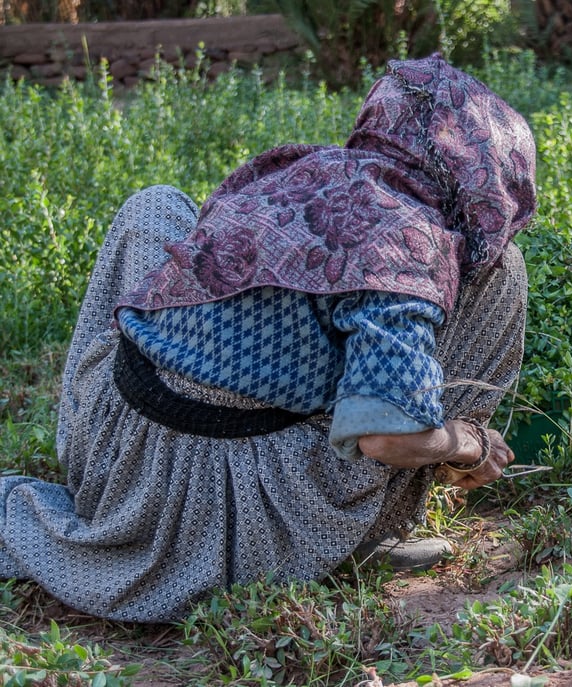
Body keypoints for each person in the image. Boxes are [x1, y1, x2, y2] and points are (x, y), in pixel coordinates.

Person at [0, 54, 537, 623]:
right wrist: (466, 442)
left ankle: (126, 486)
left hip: (118, 461)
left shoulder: (301, 171)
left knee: (155, 205)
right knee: (503, 272)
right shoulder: (410, 243)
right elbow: (383, 439)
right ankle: (360, 536)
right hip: (243, 515)